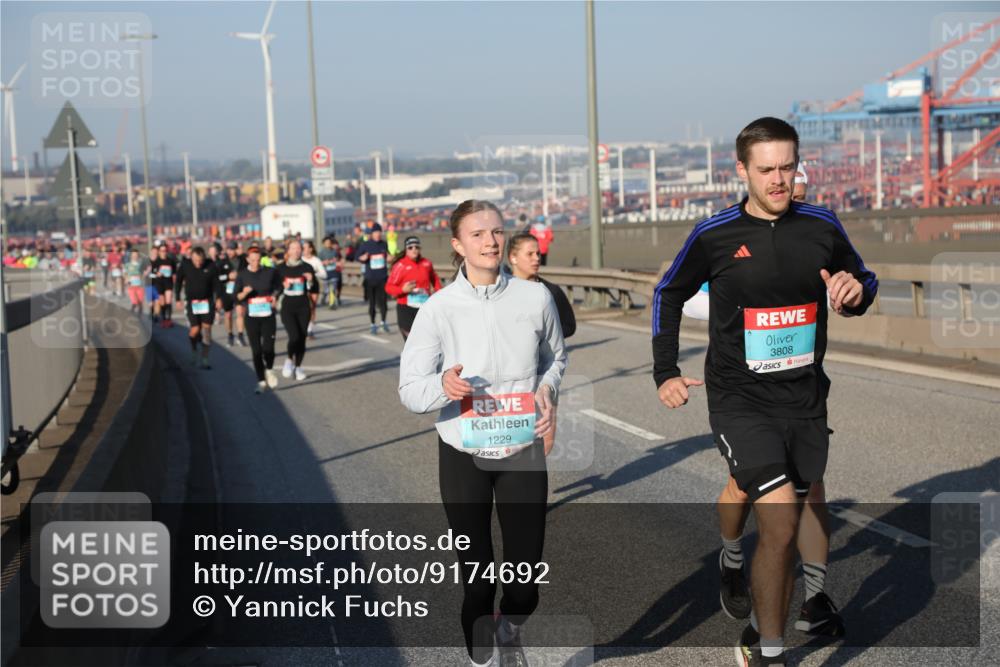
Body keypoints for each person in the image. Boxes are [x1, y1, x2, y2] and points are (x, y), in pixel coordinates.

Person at [651, 117, 878, 667]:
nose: (779, 180)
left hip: (804, 397)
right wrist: (665, 371)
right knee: (778, 521)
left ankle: (751, 599)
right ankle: (769, 650)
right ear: (742, 171)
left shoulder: (822, 225)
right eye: (766, 170)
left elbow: (862, 279)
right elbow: (668, 293)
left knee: (797, 507)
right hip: (738, 399)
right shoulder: (715, 235)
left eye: (787, 167)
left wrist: (855, 293)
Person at [399, 199, 567, 667]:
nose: (490, 241)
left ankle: (510, 628)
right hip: (462, 453)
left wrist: (547, 391)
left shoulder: (535, 298)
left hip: (521, 447)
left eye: (496, 231)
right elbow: (410, 389)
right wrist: (443, 386)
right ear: (458, 245)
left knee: (525, 579)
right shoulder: (438, 309)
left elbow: (555, 358)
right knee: (478, 579)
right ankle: (485, 660)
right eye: (477, 234)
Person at [506, 232, 575, 338]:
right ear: (513, 257)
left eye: (538, 253)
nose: (537, 258)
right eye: (530, 254)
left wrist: (543, 336)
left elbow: (569, 325)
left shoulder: (551, 291)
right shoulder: (500, 290)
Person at [235, 243, 283, 394]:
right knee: (256, 351)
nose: (255, 263)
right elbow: (235, 297)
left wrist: (275, 296)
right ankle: (261, 382)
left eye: (258, 260)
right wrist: (244, 293)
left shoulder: (270, 272)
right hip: (252, 316)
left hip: (268, 315)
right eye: (253, 260)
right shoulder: (242, 274)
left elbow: (279, 286)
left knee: (268, 348)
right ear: (248, 260)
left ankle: (269, 369)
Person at [385, 235, 442, 341]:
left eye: (417, 247)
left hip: (424, 309)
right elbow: (389, 287)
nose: (414, 250)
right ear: (406, 249)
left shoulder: (426, 263)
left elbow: (435, 280)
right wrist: (403, 290)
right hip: (406, 310)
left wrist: (439, 293)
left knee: (426, 342)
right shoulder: (400, 265)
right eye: (410, 247)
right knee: (411, 343)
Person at [276, 239, 318, 381]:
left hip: (303, 305)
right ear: (288, 251)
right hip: (288, 305)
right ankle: (289, 360)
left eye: (299, 248)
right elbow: (275, 288)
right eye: (293, 248)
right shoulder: (281, 268)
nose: (296, 251)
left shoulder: (307, 267)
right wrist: (283, 286)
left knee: (302, 338)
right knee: (294, 336)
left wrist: (311, 280)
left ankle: (298, 367)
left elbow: (313, 288)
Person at [175, 246, 217, 369]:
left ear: (204, 258)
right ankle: (194, 350)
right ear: (191, 258)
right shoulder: (185, 265)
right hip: (192, 302)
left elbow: (216, 283)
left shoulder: (211, 265)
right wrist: (177, 298)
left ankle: (205, 359)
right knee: (195, 330)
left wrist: (219, 298)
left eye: (200, 260)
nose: (198, 263)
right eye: (195, 260)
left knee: (207, 330)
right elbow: (178, 281)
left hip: (207, 301)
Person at [356, 223, 390, 334]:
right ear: (372, 233)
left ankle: (383, 322)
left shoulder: (384, 244)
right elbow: (357, 257)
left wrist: (390, 258)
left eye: (379, 232)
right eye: (375, 232)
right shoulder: (365, 245)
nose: (378, 234)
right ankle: (373, 324)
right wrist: (363, 258)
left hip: (383, 277)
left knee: (384, 301)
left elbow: (388, 256)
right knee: (372, 302)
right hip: (370, 278)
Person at [216, 242, 246, 347]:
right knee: (228, 315)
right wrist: (228, 277)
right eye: (228, 249)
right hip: (227, 291)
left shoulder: (243, 261)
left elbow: (247, 274)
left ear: (236, 250)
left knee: (240, 313)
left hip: (239, 291)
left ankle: (241, 335)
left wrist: (240, 277)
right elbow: (218, 278)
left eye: (232, 249)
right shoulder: (221, 263)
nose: (230, 251)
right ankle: (230, 335)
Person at [301, 240, 327, 340]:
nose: (305, 250)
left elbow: (324, 274)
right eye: (303, 248)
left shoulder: (316, 260)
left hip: (313, 286)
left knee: (312, 308)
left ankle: (310, 330)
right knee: (303, 308)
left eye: (307, 247)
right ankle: (303, 327)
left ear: (311, 249)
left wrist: (313, 274)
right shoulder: (300, 260)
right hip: (302, 287)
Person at [150, 242, 178, 328]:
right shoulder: (156, 261)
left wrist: (175, 277)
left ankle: (168, 320)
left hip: (168, 283)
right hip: (159, 283)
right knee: (162, 302)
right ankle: (163, 318)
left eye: (165, 250)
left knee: (168, 301)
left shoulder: (170, 260)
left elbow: (174, 271)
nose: (163, 252)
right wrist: (157, 273)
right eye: (161, 251)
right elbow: (152, 272)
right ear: (159, 251)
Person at [318, 236, 343, 309]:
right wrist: (325, 262)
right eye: (326, 243)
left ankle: (332, 303)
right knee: (327, 289)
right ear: (324, 244)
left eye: (329, 243)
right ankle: (324, 296)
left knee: (333, 288)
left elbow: (337, 260)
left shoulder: (334, 251)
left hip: (334, 271)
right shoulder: (321, 252)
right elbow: (318, 263)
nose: (328, 244)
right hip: (325, 272)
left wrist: (337, 262)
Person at [124, 249, 147, 314]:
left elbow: (144, 273)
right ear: (131, 256)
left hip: (140, 285)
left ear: (138, 256)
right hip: (131, 285)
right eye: (133, 255)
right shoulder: (127, 265)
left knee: (140, 302)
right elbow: (125, 274)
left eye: (136, 255)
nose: (134, 256)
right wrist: (126, 280)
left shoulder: (141, 264)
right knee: (134, 301)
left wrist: (142, 275)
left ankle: (140, 314)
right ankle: (132, 312)